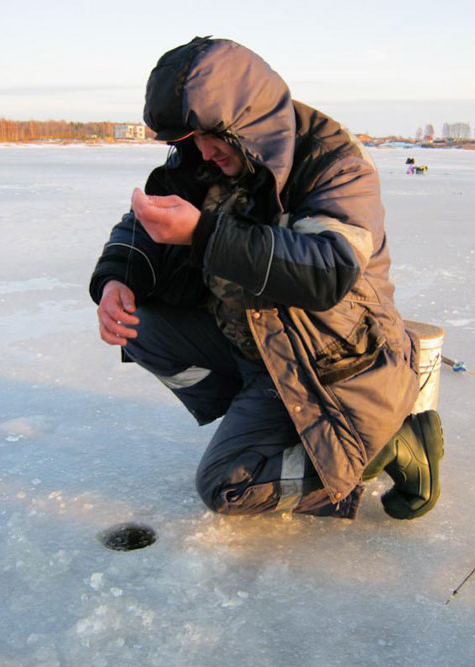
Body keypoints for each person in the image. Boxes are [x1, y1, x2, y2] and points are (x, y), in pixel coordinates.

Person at [90, 37, 444, 520]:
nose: (204, 152)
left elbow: (328, 269)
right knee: (143, 330)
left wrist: (203, 233)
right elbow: (143, 224)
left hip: (332, 361)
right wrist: (118, 278)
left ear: (245, 119)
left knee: (227, 488)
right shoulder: (200, 159)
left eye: (212, 137)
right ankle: (268, 418)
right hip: (256, 347)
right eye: (189, 141)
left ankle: (384, 448)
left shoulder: (333, 162)